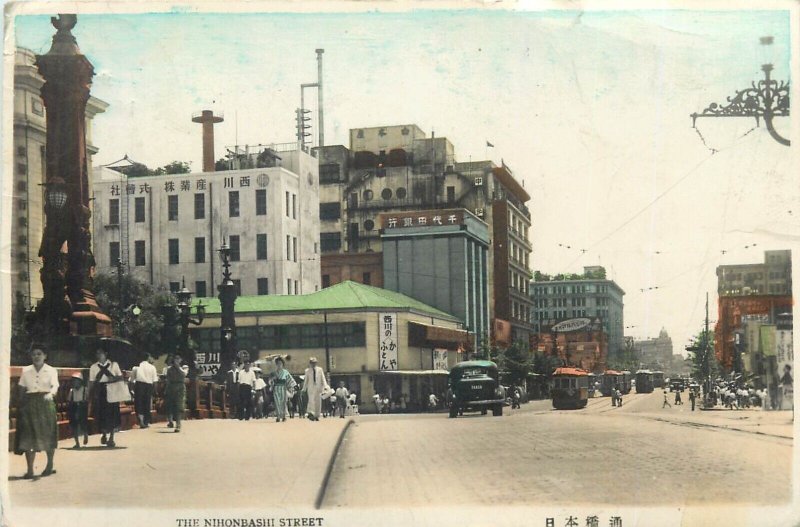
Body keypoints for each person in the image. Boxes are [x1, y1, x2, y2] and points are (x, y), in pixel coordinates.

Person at [15, 344, 59, 478]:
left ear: (45, 356)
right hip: (29, 404)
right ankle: (30, 470)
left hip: (46, 404)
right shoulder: (26, 370)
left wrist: (51, 394)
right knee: (28, 436)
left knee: (47, 434)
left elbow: (55, 385)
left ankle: (50, 465)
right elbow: (21, 388)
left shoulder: (51, 370)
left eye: (39, 353)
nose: (36, 356)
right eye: (34, 354)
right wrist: (20, 405)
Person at [89, 348, 123, 447]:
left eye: (101, 353)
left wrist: (114, 378)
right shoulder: (94, 367)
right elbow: (91, 382)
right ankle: (104, 433)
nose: (99, 355)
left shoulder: (114, 365)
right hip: (100, 390)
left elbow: (120, 377)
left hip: (112, 389)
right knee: (101, 413)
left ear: (106, 354)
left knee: (113, 413)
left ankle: (112, 437)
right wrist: (90, 394)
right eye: (97, 353)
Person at [133, 353, 158, 428]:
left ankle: (141, 420)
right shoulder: (152, 367)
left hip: (139, 385)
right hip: (148, 386)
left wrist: (131, 389)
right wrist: (155, 390)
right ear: (148, 358)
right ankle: (146, 422)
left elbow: (131, 380)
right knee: (147, 404)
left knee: (139, 404)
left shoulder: (136, 367)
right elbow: (155, 381)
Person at [164, 354, 187, 432]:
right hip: (171, 387)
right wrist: (166, 389)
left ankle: (178, 425)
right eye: (175, 359)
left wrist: (177, 367)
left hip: (180, 387)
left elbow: (184, 374)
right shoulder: (169, 369)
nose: (177, 360)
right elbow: (168, 380)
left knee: (179, 406)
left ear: (181, 360)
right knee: (170, 405)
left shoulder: (184, 367)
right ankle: (170, 421)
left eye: (178, 359)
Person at [67, 372, 89, 449]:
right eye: (74, 381)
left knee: (83, 423)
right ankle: (77, 442)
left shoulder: (84, 390)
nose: (75, 382)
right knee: (74, 426)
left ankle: (85, 434)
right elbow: (69, 400)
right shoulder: (72, 391)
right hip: (74, 407)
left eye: (77, 381)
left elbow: (87, 399)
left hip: (82, 407)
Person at [272, 357, 297, 422]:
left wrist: (293, 386)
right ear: (276, 364)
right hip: (276, 388)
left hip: (283, 388)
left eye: (280, 363)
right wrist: (272, 381)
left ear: (283, 364)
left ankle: (283, 416)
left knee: (283, 402)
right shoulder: (274, 372)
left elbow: (290, 380)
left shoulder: (285, 372)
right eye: (278, 364)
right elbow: (271, 381)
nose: (279, 365)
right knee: (277, 402)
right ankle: (278, 416)